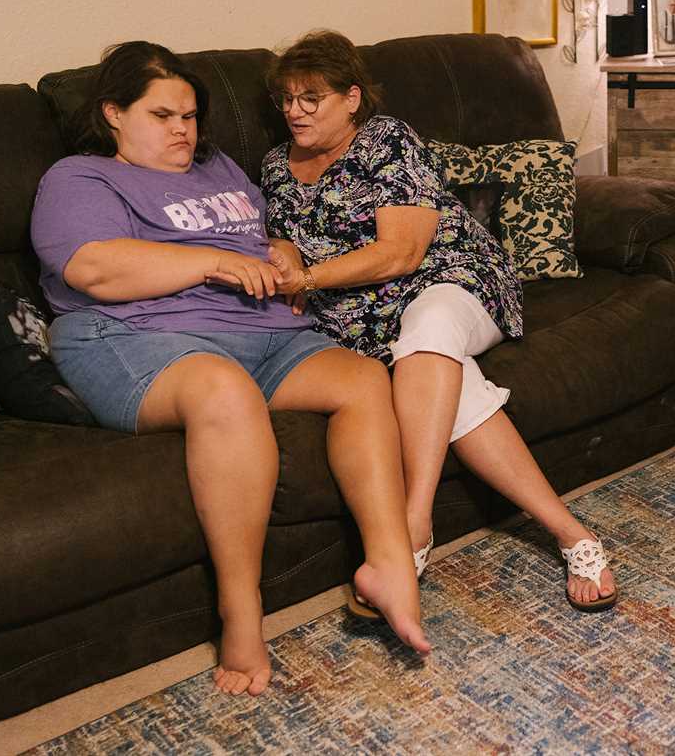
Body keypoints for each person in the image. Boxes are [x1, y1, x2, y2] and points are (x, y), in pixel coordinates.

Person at [30, 42, 432, 698]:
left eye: (190, 115)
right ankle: (241, 611)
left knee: (362, 378)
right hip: (135, 334)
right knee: (224, 388)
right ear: (112, 114)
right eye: (162, 115)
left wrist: (277, 248)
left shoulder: (216, 166)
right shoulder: (79, 178)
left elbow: (256, 234)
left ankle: (390, 565)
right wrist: (211, 264)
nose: (182, 130)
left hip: (261, 326)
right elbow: (93, 267)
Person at [258, 30, 618, 612]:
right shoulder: (277, 165)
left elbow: (402, 253)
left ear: (351, 98)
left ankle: (413, 525)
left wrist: (306, 280)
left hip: (451, 278)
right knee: (450, 379)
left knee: (428, 334)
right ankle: (572, 532)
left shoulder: (387, 141)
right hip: (363, 317)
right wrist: (289, 253)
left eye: (310, 99)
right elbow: (281, 232)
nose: (294, 112)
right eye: (287, 100)